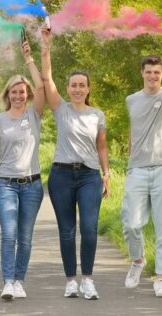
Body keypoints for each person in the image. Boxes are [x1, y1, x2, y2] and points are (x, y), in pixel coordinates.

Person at [40, 25, 110, 300]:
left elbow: (101, 146)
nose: (78, 89)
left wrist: (106, 173)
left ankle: (88, 280)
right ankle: (71, 280)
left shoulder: (97, 115)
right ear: (68, 88)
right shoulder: (61, 109)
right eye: (73, 85)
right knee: (67, 230)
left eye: (82, 85)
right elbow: (46, 78)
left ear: (88, 88)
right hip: (61, 176)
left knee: (90, 228)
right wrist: (47, 47)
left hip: (90, 176)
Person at [121, 42, 162, 298]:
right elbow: (135, 129)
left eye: (157, 72)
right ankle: (138, 261)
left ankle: (161, 278)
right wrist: (131, 154)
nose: (152, 76)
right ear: (142, 73)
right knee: (131, 223)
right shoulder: (131, 100)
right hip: (137, 168)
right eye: (149, 72)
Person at [0, 39, 45, 300]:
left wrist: (30, 59)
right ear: (7, 94)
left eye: (23, 92)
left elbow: (43, 85)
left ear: (28, 93)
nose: (19, 96)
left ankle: (20, 280)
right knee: (8, 234)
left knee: (26, 237)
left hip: (32, 185)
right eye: (14, 92)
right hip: (7, 184)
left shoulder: (34, 114)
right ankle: (8, 281)